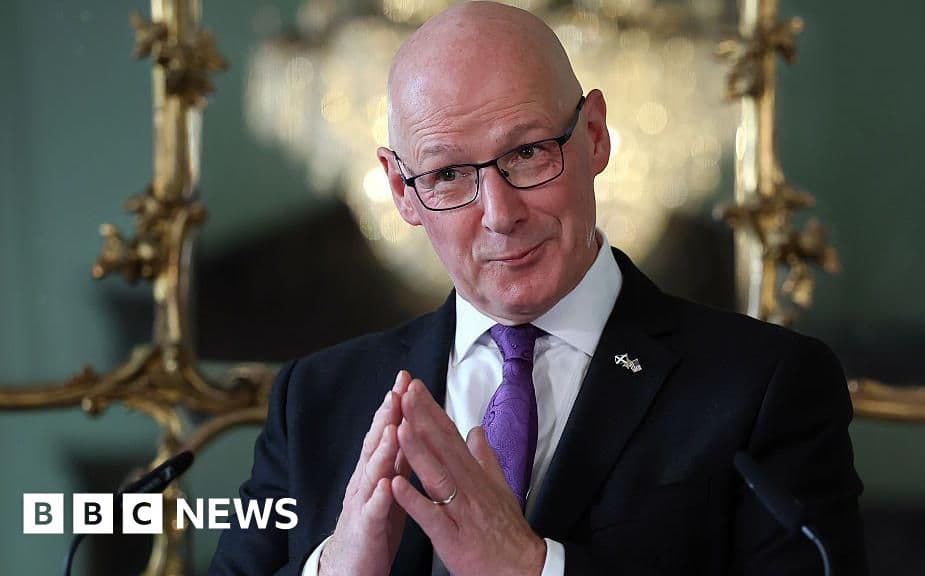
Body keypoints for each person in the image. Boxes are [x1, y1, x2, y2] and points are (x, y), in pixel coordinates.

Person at [209, 2, 867, 574]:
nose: (499, 213)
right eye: (446, 175)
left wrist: (533, 569)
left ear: (595, 137)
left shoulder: (767, 387)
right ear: (399, 190)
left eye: (526, 153)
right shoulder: (316, 401)